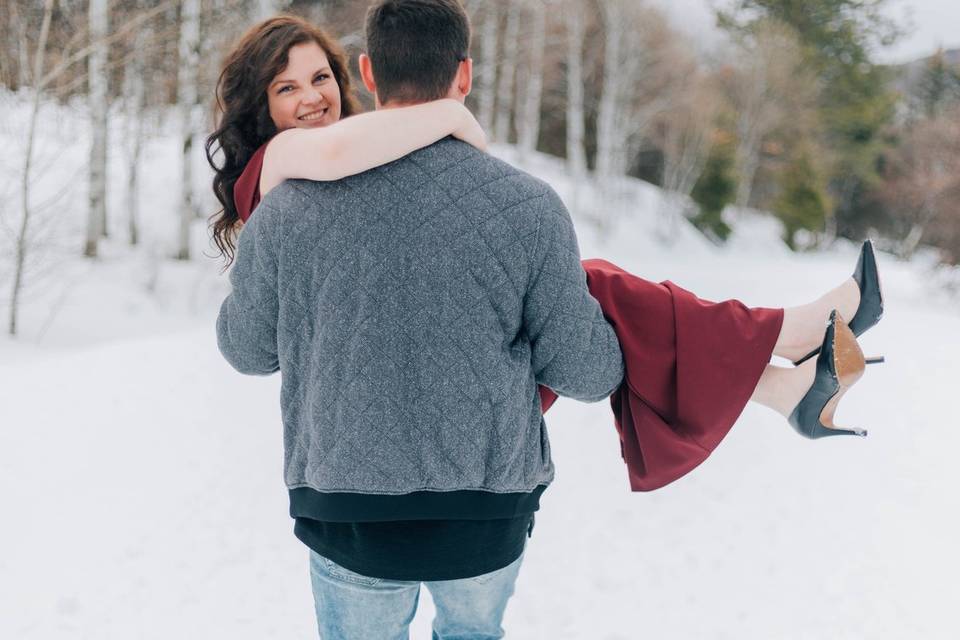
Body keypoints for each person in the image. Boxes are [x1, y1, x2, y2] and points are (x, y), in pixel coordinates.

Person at [210, 3, 885, 638]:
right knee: (597, 287)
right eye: (285, 87)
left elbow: (246, 351)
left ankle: (785, 369)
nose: (308, 99)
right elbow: (589, 375)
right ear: (465, 74)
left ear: (364, 74)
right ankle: (784, 361)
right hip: (484, 513)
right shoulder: (526, 205)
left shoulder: (287, 211)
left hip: (346, 511)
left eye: (317, 79)